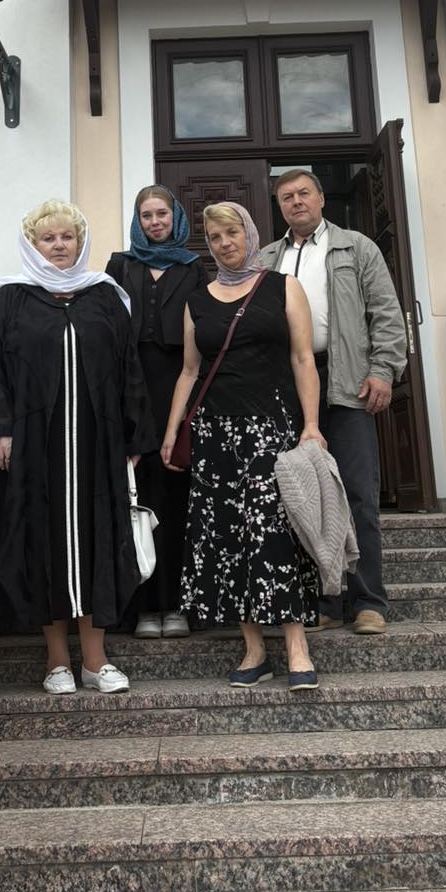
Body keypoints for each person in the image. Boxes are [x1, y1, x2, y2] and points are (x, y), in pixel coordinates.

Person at [0, 199, 156, 695]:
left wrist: (134, 435)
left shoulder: (104, 297)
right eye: (48, 238)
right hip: (36, 448)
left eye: (67, 237)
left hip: (97, 445)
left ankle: (95, 660)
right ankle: (57, 661)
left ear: (80, 242)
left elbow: (129, 369)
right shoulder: (11, 300)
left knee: (98, 541)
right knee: (42, 543)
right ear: (33, 245)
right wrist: (3, 428)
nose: (58, 246)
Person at [161, 200, 325, 690]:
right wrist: (171, 432)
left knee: (276, 533)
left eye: (231, 233)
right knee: (226, 538)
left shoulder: (283, 287)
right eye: (215, 238)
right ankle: (254, 650)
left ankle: (297, 647)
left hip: (271, 430)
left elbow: (303, 359)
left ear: (249, 234)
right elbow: (189, 371)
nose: (224, 243)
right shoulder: (198, 301)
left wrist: (311, 425)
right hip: (215, 435)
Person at [258, 169, 408, 636]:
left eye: (304, 193)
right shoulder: (267, 258)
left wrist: (383, 369)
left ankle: (367, 601)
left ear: (321, 198)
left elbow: (385, 312)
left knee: (357, 492)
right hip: (288, 390)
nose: (296, 202)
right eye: (287, 197)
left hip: (347, 382)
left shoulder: (356, 248)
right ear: (279, 207)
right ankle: (322, 600)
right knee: (303, 494)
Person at [105, 185, 205, 639]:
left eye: (162, 214)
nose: (155, 222)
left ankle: (177, 605)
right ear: (137, 221)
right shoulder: (119, 266)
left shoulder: (193, 267)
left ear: (175, 217)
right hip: (129, 391)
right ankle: (142, 607)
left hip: (177, 390)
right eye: (146, 215)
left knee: (177, 499)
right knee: (135, 498)